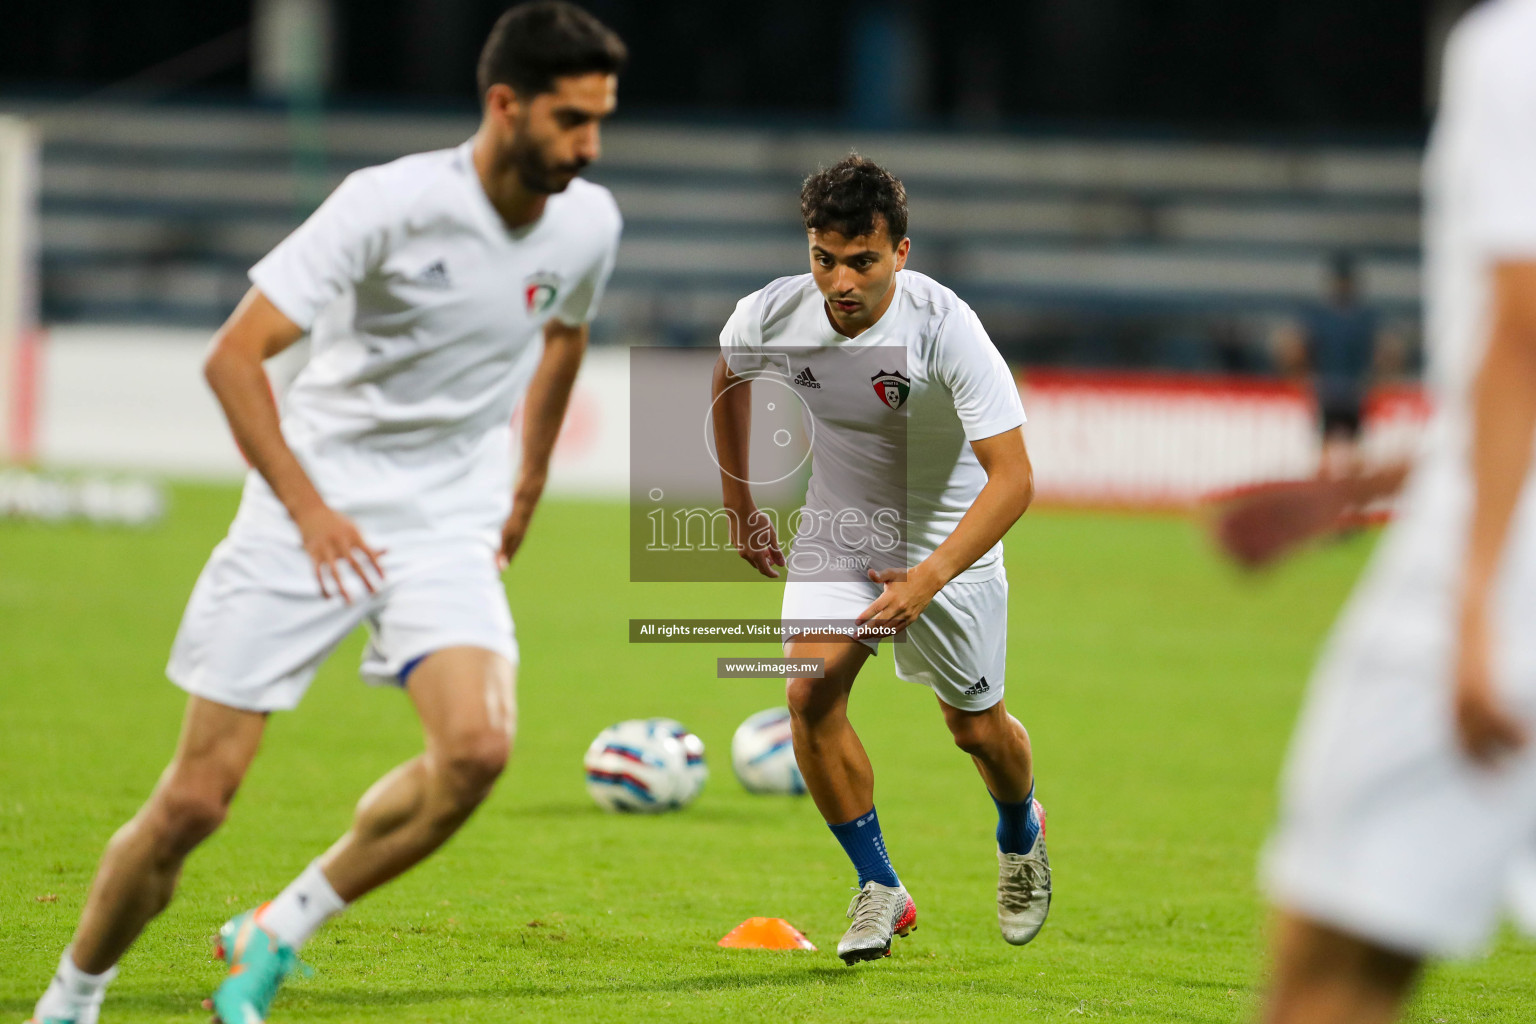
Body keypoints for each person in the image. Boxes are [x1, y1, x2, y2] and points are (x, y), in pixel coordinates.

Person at [27, 4, 624, 1022]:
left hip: (447, 517)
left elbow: (565, 335)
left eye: (601, 119)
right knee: (195, 802)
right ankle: (72, 997)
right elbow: (233, 357)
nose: (590, 145)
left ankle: (280, 925)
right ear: (504, 104)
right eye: (571, 119)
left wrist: (523, 488)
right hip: (314, 505)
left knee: (476, 752)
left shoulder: (589, 220)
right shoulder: (384, 205)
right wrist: (308, 510)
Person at [1218, 2, 1536, 1020]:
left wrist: (1478, 607)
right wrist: (1351, 491)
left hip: (1498, 581)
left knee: (1329, 976)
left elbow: (1524, 336)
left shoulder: (1513, 48)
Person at [710, 155, 1048, 965]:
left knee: (975, 729)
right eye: (824, 258)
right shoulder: (773, 313)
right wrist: (740, 507)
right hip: (839, 526)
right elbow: (727, 376)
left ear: (900, 252)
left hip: (945, 542)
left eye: (861, 261)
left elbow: (1016, 480)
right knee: (808, 694)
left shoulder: (945, 326)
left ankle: (1020, 831)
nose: (840, 281)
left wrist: (928, 580)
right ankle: (880, 886)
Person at [1274, 254, 1397, 479]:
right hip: (1337, 389)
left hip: (1344, 390)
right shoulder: (1354, 316)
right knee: (1336, 446)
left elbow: (1387, 350)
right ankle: (1339, 493)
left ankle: (1344, 493)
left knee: (1346, 446)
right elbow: (1293, 345)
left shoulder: (1353, 316)